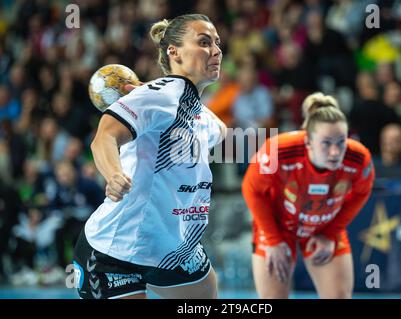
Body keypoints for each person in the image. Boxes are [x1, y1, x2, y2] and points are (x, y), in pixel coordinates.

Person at [73, 14, 226, 299]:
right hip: (116, 251)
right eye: (204, 43)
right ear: (174, 51)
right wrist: (114, 175)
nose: (216, 50)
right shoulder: (157, 96)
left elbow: (220, 130)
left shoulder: (195, 112)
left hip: (176, 249)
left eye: (217, 43)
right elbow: (104, 137)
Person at [242, 92, 375, 299]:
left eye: (341, 142)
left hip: (323, 226)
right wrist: (273, 239)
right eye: (326, 143)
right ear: (308, 141)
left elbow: (361, 193)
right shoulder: (277, 151)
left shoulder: (358, 158)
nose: (335, 152)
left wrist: (331, 234)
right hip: (278, 225)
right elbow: (252, 190)